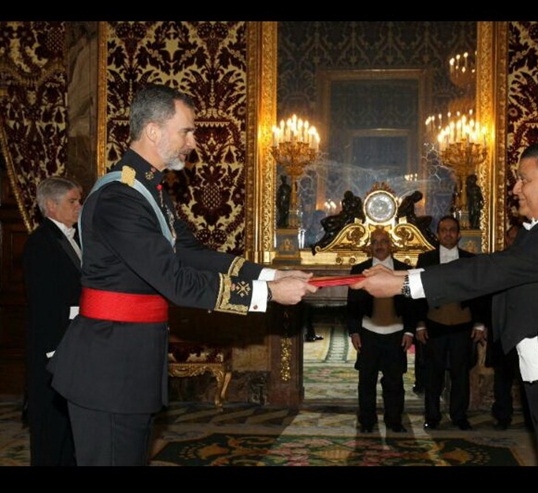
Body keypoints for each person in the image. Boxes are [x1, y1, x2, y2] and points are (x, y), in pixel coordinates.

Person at [47, 84, 318, 466]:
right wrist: (269, 293)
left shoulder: (149, 191)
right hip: (107, 368)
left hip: (131, 360)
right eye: (186, 131)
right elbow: (175, 281)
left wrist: (272, 273)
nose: (193, 142)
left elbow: (191, 254)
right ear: (153, 131)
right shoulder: (119, 197)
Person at [351, 142, 538, 466]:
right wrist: (402, 278)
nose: (515, 189)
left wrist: (403, 283)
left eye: (524, 179)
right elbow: (502, 275)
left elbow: (495, 270)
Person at [22, 176, 82, 466]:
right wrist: (53, 350)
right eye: (72, 201)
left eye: (79, 200)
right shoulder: (40, 243)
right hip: (53, 346)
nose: (79, 206)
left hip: (73, 343)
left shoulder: (77, 238)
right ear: (51, 205)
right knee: (49, 425)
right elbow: (44, 303)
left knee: (68, 424)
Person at [414, 215, 488, 431]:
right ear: (438, 234)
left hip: (462, 324)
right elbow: (416, 293)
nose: (448, 233)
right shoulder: (426, 259)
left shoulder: (470, 259)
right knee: (433, 374)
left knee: (460, 374)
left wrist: (480, 323)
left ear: (459, 234)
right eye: (443, 230)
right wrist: (419, 323)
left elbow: (479, 292)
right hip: (434, 323)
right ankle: (432, 416)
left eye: (452, 230)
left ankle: (459, 416)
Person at [347, 227, 415, 433]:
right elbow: (352, 304)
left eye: (383, 241)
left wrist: (409, 331)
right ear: (370, 246)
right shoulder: (359, 270)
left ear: (390, 244)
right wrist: (354, 331)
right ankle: (367, 421)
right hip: (368, 332)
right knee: (366, 381)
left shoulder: (404, 269)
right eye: (375, 242)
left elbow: (412, 304)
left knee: (394, 381)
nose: (379, 246)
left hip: (396, 333)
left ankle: (394, 420)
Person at [478, 223, 531, 431]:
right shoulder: (498, 262)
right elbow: (486, 295)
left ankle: (531, 420)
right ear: (506, 239)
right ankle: (502, 417)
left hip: (526, 333)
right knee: (502, 379)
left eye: (519, 237)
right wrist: (483, 324)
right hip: (502, 330)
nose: (514, 241)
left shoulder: (532, 263)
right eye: (511, 237)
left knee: (528, 380)